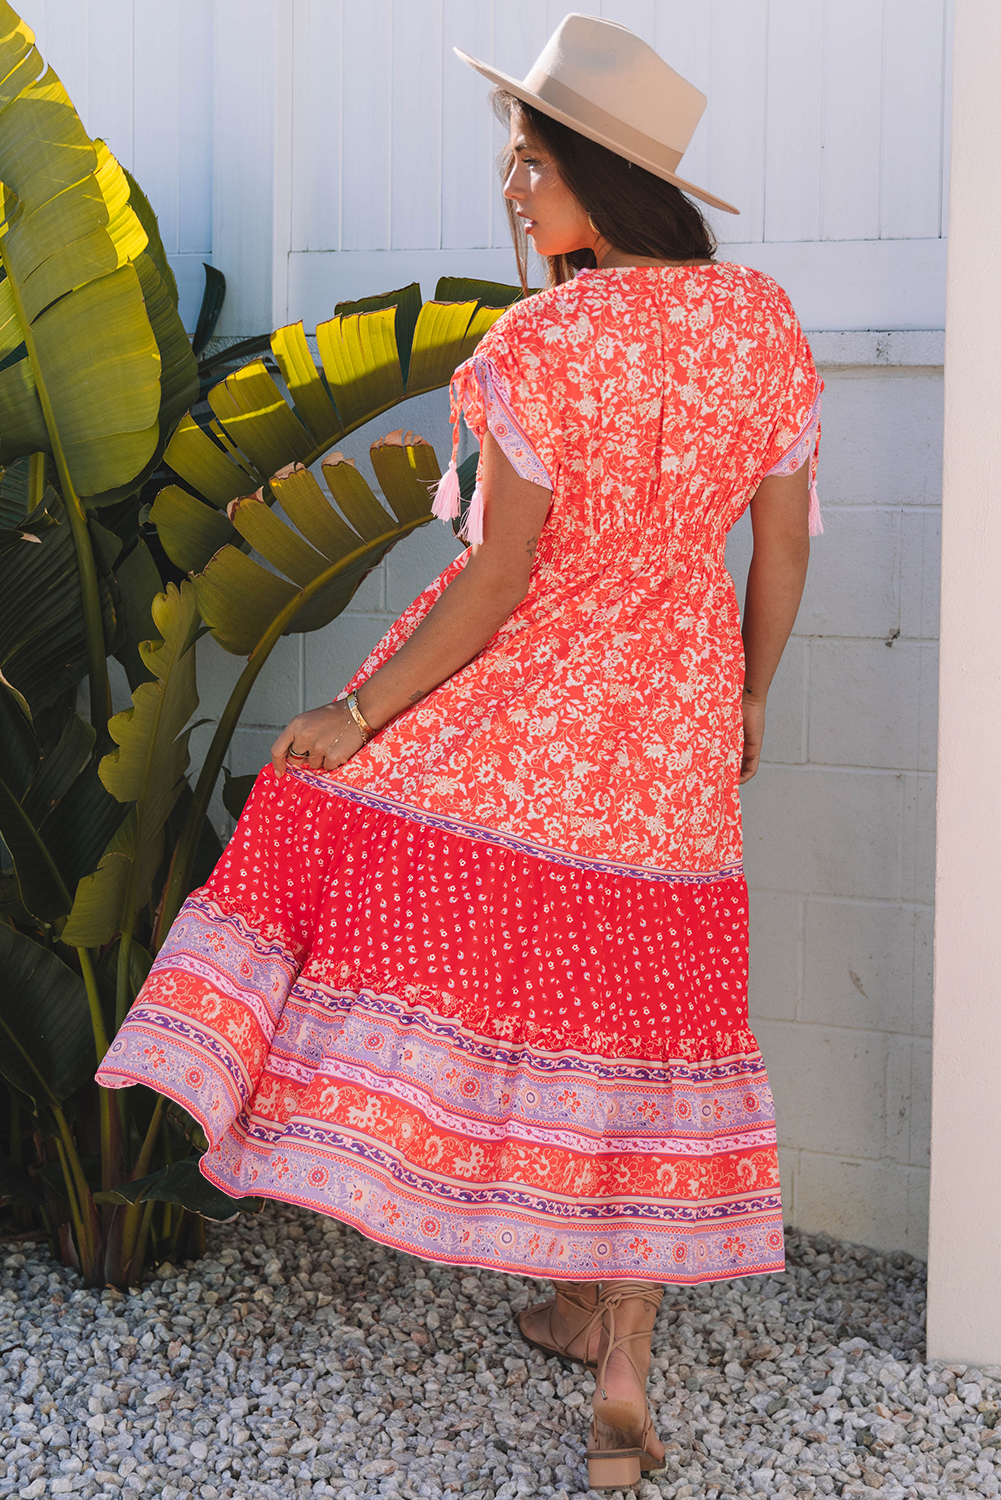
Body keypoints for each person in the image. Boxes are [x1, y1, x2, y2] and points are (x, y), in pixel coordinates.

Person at [98, 15, 822, 1492]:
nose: (511, 184)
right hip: (675, 734)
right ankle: (615, 1360)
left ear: (604, 181)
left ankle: (546, 1279)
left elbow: (496, 582)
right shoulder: (763, 324)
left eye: (534, 160)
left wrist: (362, 716)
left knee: (333, 822)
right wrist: (749, 697)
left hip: (531, 723)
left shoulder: (538, 348)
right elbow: (786, 551)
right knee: (644, 1023)